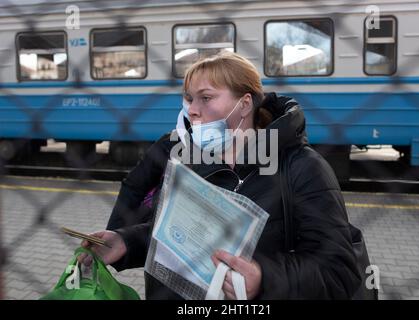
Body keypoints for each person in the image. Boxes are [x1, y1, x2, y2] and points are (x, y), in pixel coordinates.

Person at [78, 52, 361, 299]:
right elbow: (177, 236)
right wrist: (126, 241)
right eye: (188, 98)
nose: (192, 109)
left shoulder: (302, 168)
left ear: (245, 104)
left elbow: (338, 271)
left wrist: (263, 278)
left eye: (206, 97)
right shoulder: (187, 157)